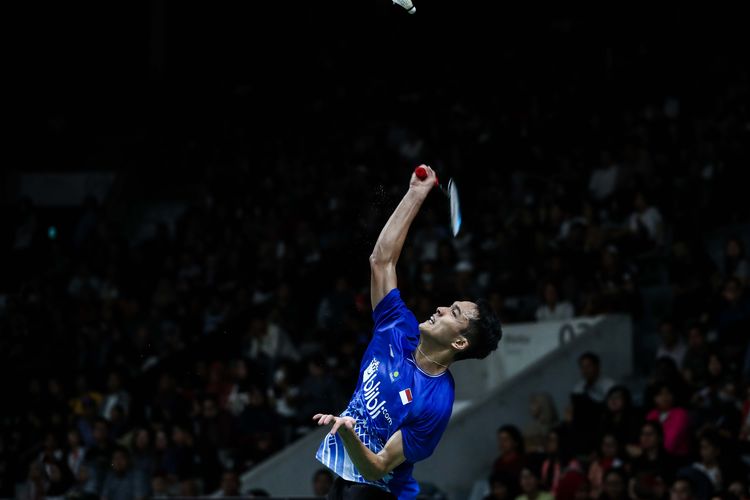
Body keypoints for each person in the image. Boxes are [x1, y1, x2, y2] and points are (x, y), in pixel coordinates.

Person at [313, 166, 503, 499]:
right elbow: (381, 261)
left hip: (378, 491)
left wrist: (347, 434)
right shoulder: (397, 328)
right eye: (450, 305)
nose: (442, 309)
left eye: (454, 313)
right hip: (344, 479)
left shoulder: (436, 402)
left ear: (459, 342)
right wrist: (416, 193)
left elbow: (378, 466)